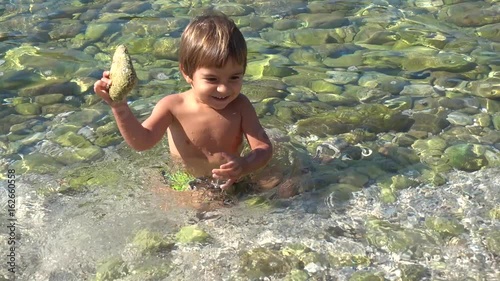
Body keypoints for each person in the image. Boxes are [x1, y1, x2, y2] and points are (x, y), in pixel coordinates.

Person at [93, 12, 273, 190]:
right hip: (186, 182)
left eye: (234, 77)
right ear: (187, 73)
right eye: (212, 79)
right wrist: (119, 106)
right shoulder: (173, 107)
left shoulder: (241, 105)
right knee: (199, 201)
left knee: (281, 184)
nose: (224, 88)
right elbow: (142, 142)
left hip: (232, 179)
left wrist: (244, 165)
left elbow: (263, 147)